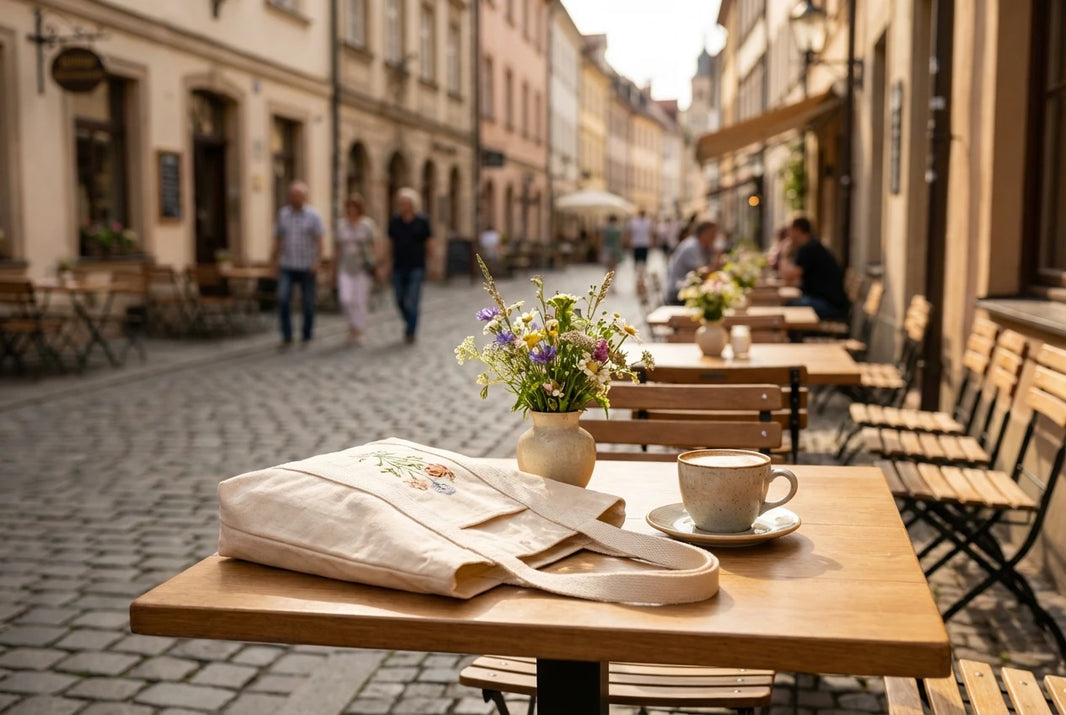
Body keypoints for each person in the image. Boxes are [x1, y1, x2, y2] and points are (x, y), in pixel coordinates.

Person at [272, 180, 324, 347]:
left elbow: (320, 241)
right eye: (293, 195)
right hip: (287, 264)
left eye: (299, 195)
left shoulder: (314, 215)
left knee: (308, 302)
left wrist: (317, 261)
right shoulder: (283, 214)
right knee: (283, 298)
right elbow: (278, 239)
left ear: (305, 197)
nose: (295, 198)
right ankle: (287, 335)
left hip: (307, 265)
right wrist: (273, 261)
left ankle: (306, 334)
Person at [386, 187, 434, 344]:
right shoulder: (395, 221)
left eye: (405, 203)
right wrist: (385, 263)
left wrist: (432, 262)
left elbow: (429, 242)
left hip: (416, 266)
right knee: (399, 298)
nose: (402, 206)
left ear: (412, 204)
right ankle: (409, 322)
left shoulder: (422, 221)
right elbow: (390, 243)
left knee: (413, 300)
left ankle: (411, 331)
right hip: (399, 265)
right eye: (400, 203)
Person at [778, 216, 849, 320]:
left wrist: (784, 254)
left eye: (790, 231)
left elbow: (788, 276)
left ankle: (795, 336)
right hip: (825, 301)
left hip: (829, 305)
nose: (788, 235)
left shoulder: (810, 248)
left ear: (798, 231)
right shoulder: (811, 245)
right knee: (790, 304)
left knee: (788, 306)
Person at [334, 194, 380, 345]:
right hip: (345, 266)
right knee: (346, 299)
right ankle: (351, 324)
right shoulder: (341, 225)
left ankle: (358, 330)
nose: (351, 210)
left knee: (360, 300)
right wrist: (335, 267)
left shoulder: (367, 225)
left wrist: (376, 264)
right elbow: (338, 247)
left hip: (362, 267)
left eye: (354, 207)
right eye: (349, 207)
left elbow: (374, 245)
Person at [663, 221, 720, 305]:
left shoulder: (701, 246)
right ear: (704, 233)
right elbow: (702, 273)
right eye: (713, 234)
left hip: (687, 291)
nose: (715, 238)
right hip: (678, 294)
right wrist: (717, 260)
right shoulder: (692, 247)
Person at [626, 209, 653, 279]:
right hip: (644, 244)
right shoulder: (648, 221)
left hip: (636, 244)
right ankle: (641, 278)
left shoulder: (634, 222)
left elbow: (630, 234)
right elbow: (650, 233)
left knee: (637, 263)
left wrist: (629, 243)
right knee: (643, 263)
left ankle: (639, 278)